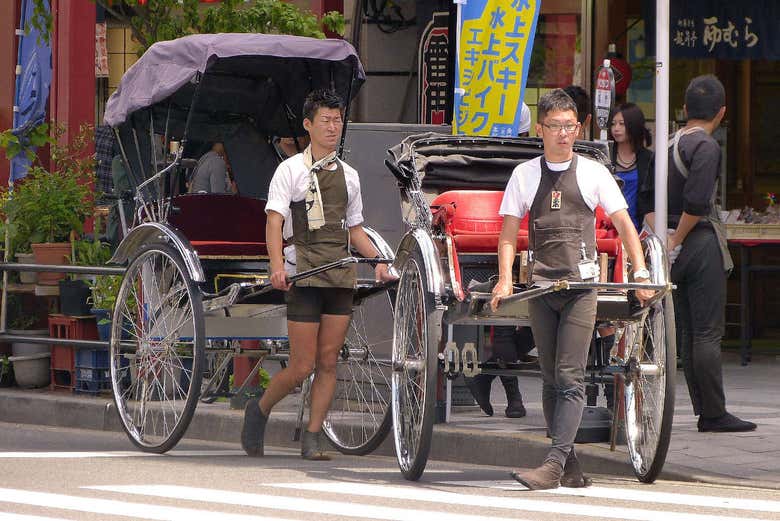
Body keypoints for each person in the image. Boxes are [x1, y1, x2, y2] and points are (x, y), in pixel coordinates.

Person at [490, 89, 655, 490]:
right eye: (555, 127)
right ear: (541, 129)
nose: (563, 134)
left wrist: (640, 271)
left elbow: (624, 226)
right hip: (542, 287)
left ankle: (552, 464)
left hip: (582, 288)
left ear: (578, 128)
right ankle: (570, 465)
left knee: (570, 375)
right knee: (549, 378)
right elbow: (509, 234)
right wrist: (506, 277)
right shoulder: (525, 175)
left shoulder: (594, 173)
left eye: (570, 126)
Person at [240, 89, 396, 460]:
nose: (333, 126)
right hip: (303, 272)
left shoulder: (350, 176)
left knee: (329, 362)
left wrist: (378, 260)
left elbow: (355, 229)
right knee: (301, 365)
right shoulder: (290, 170)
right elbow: (274, 221)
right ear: (308, 125)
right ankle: (258, 410)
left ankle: (312, 438)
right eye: (325, 120)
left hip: (338, 271)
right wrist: (277, 266)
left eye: (338, 119)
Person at [645, 75, 756, 434]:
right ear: (722, 112)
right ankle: (713, 412)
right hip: (699, 242)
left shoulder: (667, 144)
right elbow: (697, 201)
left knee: (690, 332)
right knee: (708, 333)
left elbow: (646, 201)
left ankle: (705, 408)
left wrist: (666, 238)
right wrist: (679, 237)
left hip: (670, 243)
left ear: (686, 109)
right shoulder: (706, 147)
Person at [608, 103, 654, 231]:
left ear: (634, 125)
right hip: (606, 228)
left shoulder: (647, 159)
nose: (616, 128)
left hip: (636, 227)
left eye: (622, 124)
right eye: (613, 124)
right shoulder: (605, 156)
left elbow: (649, 202)